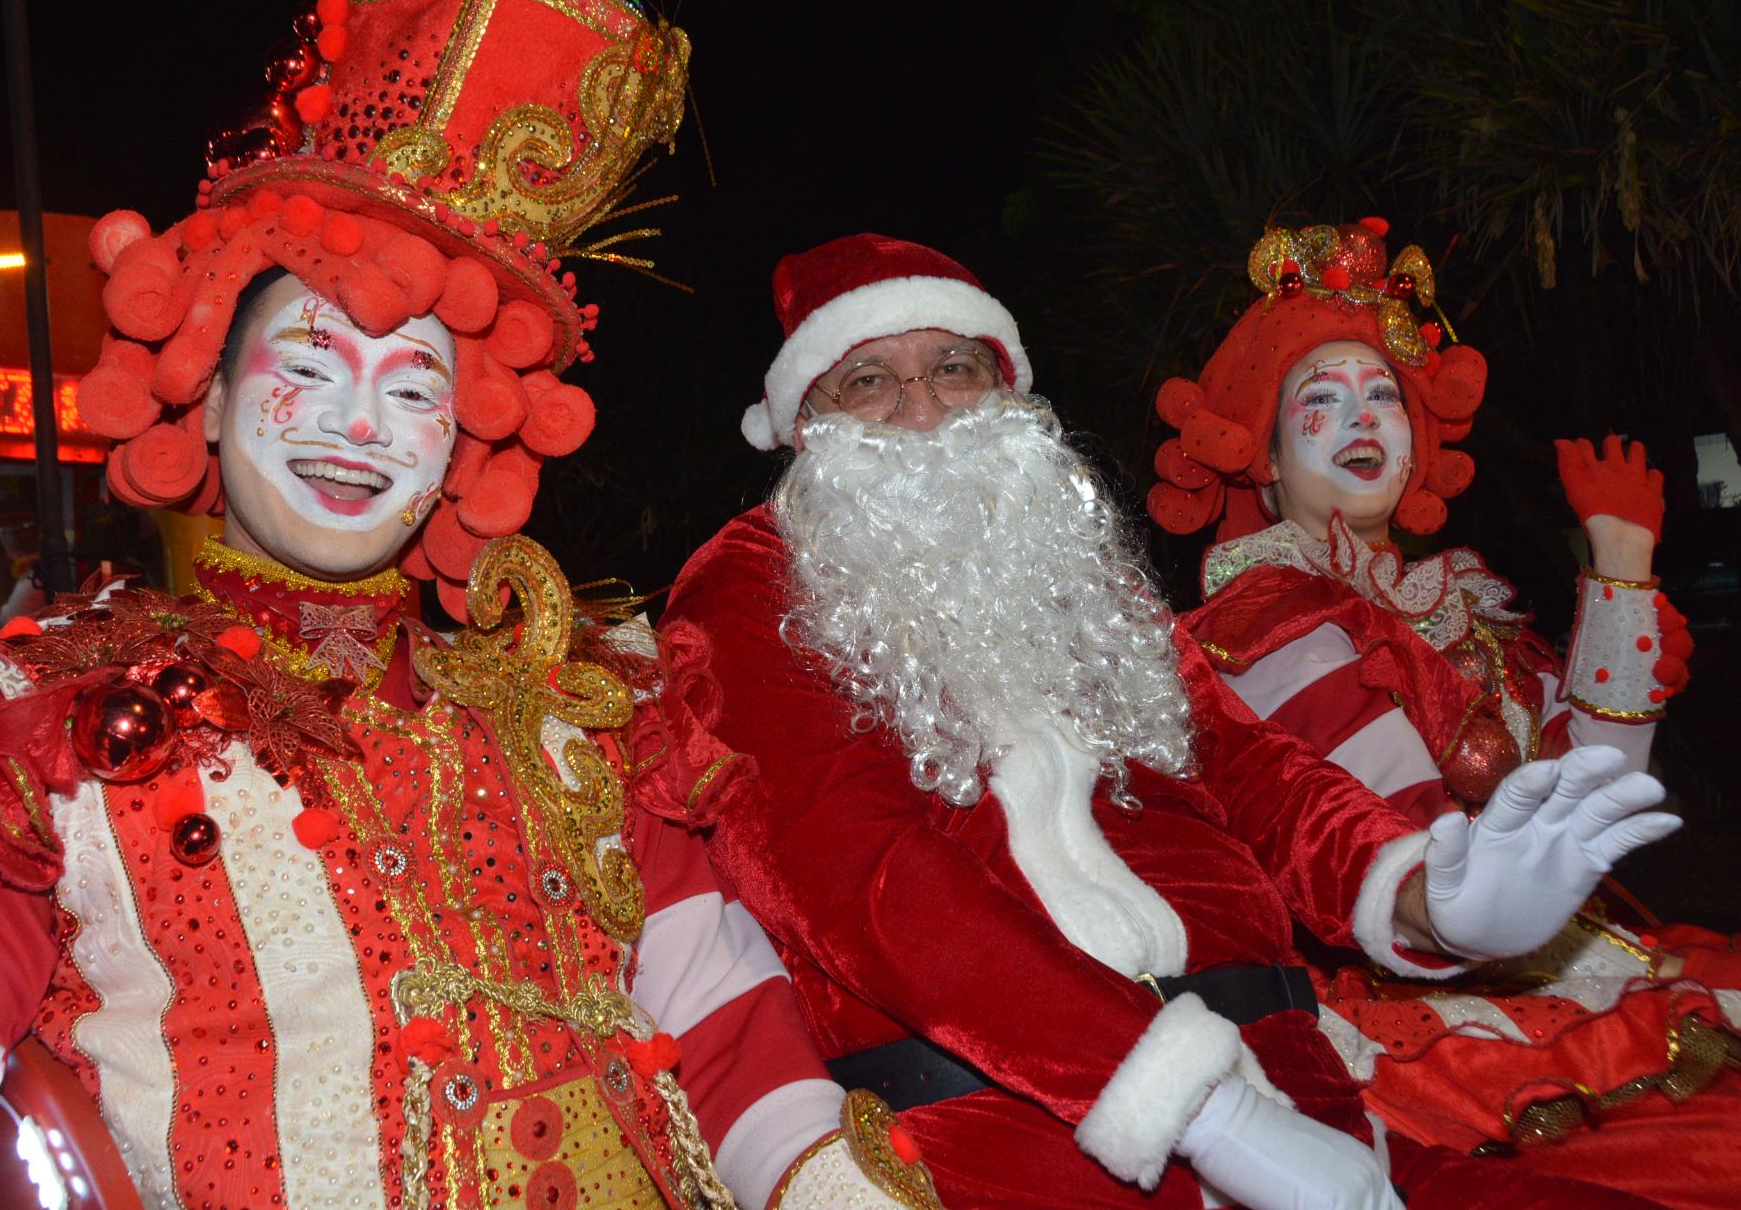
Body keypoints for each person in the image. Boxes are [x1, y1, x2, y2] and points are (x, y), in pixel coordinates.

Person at [0, 0, 935, 1210]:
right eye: (312, 363)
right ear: (210, 383)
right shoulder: (35, 724)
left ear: (462, 437)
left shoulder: (577, 720)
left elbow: (738, 1048)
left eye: (411, 388)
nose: (360, 425)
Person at [661, 231, 1683, 1209]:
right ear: (810, 422)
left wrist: (1426, 890)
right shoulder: (752, 583)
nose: (924, 409)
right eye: (870, 380)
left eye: (956, 367)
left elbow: (1248, 768)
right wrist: (1197, 1108)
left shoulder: (1079, 568)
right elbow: (857, 876)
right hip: (1018, 1141)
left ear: (1008, 390)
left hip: (1308, 1100)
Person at [1153, 218, 1741, 1206]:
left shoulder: (1456, 604)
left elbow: (1602, 800)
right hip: (1411, 1012)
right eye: (1322, 399)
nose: (1363, 419)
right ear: (1263, 452)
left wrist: (1621, 572)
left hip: (1553, 966)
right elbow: (1414, 853)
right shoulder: (1262, 615)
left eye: (1384, 393)